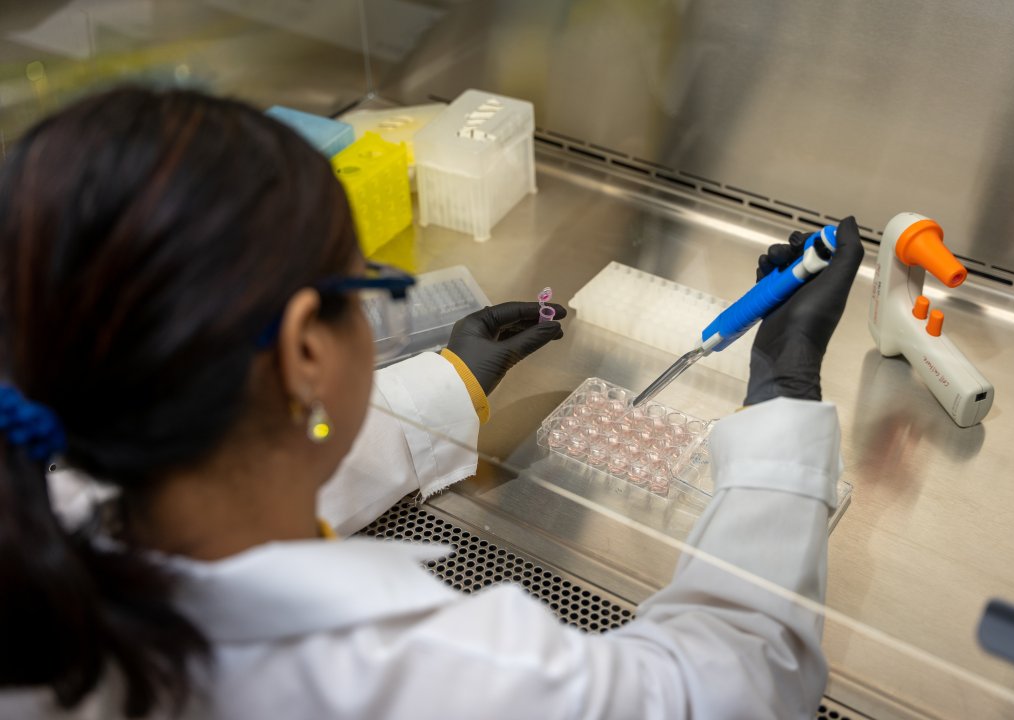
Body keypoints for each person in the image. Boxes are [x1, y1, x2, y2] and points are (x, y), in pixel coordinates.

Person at [0, 87, 863, 719]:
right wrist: (783, 394)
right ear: (307, 348)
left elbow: (230, 487)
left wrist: (448, 383)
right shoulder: (414, 676)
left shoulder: (51, 510)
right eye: (363, 284)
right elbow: (723, 687)